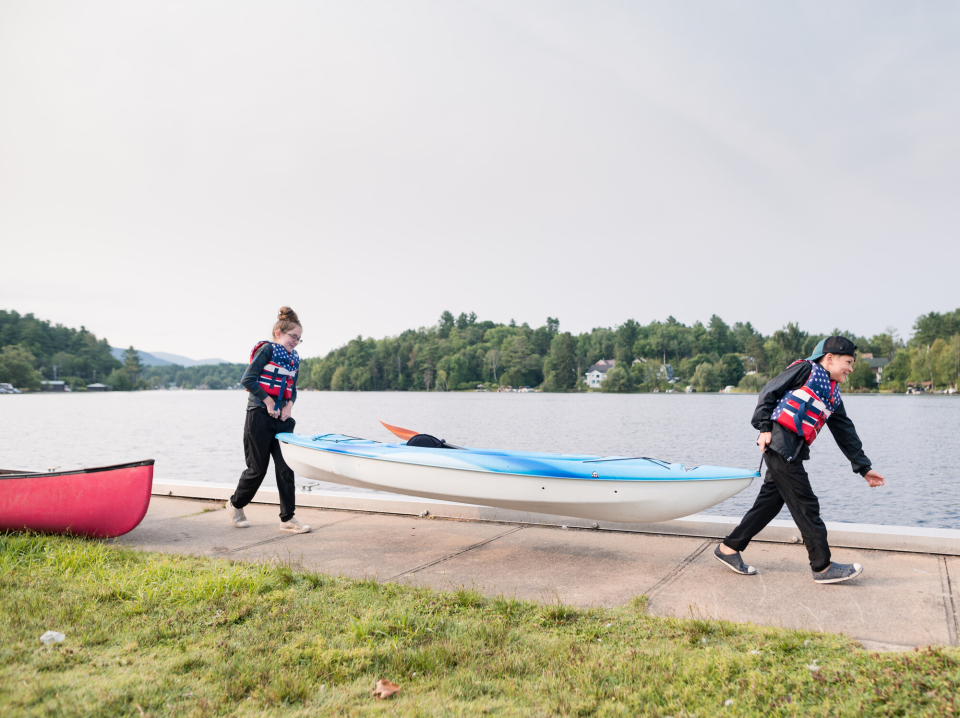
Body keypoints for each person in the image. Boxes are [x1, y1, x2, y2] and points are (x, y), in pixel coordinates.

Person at [714, 336, 885, 584]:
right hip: (780, 445)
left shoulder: (833, 394)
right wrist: (764, 428)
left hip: (792, 450)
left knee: (770, 503)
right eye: (848, 362)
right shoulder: (806, 369)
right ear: (829, 358)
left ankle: (728, 549)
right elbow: (768, 391)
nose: (851, 368)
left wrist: (864, 468)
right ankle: (823, 567)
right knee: (806, 505)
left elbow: (845, 431)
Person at [228, 306, 311, 534]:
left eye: (299, 338)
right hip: (259, 416)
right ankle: (235, 504)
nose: (295, 341)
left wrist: (289, 406)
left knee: (286, 468)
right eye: (292, 336)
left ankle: (287, 519)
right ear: (278, 333)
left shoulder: (294, 358)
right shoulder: (266, 350)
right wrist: (268, 401)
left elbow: (292, 388)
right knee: (257, 469)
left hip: (282, 419)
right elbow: (248, 379)